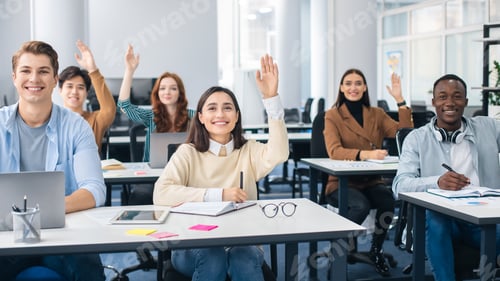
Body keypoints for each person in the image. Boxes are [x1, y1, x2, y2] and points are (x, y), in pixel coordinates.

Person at [153, 54, 289, 281]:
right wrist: (219, 195)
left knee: (243, 256)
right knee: (212, 255)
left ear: (236, 117)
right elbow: (162, 193)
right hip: (192, 244)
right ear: (201, 118)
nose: (220, 114)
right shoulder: (188, 152)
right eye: (212, 108)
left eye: (227, 108)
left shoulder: (249, 150)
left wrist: (271, 98)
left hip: (241, 241)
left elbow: (280, 153)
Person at [0, 40, 106, 280]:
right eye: (26, 71)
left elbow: (95, 189)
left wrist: (43, 212)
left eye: (43, 71)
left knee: (87, 265)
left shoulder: (76, 126)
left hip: (63, 233)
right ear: (14, 77)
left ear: (54, 78)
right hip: (5, 234)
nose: (34, 79)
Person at [392, 74, 500, 281]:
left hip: (482, 218)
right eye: (442, 97)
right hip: (440, 220)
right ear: (434, 103)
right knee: (436, 220)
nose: (449, 102)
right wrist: (437, 182)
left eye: (457, 96)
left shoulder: (488, 128)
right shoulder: (417, 139)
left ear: (466, 102)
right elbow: (399, 186)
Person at [323, 68, 413, 276]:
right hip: (341, 183)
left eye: (358, 83)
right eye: (348, 83)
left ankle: (376, 250)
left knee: (387, 201)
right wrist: (366, 154)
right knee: (359, 205)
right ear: (341, 88)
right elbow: (334, 151)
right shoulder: (332, 116)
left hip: (371, 180)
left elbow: (405, 134)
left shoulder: (376, 114)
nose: (353, 87)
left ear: (364, 88)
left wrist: (399, 100)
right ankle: (338, 252)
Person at [117, 44, 191, 162]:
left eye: (173, 88)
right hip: (154, 174)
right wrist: (129, 71)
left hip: (184, 171)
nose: (167, 92)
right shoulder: (151, 116)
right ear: (157, 93)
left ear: (180, 93)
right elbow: (124, 106)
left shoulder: (193, 116)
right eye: (162, 88)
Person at [58, 40, 116, 155]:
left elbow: (109, 109)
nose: (74, 92)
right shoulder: (51, 119)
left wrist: (93, 70)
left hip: (88, 172)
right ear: (60, 90)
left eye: (80, 87)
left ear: (86, 92)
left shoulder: (94, 120)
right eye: (69, 86)